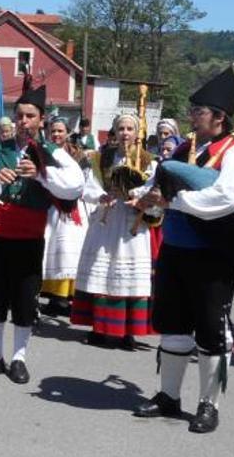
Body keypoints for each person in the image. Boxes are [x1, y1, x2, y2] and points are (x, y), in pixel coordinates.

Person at [131, 67, 234, 433]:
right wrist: (142, 199)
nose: (192, 115)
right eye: (192, 109)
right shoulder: (185, 147)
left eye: (199, 109)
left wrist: (175, 202)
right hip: (175, 249)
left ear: (219, 116)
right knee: (173, 325)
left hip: (213, 254)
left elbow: (229, 197)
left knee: (210, 330)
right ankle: (169, 397)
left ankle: (208, 404)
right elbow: (158, 185)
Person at [0, 86, 84, 384]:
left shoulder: (52, 152)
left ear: (41, 120)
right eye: (19, 115)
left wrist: (43, 175)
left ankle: (18, 357)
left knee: (24, 297)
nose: (23, 121)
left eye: (30, 116)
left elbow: (74, 186)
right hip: (0, 230)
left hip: (30, 234)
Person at [70, 114, 155, 349]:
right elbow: (86, 186)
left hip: (132, 224)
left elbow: (155, 190)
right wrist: (100, 196)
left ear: (138, 133)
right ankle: (99, 328)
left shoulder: (149, 161)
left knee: (128, 277)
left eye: (130, 129)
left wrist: (140, 199)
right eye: (121, 128)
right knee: (102, 273)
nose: (125, 133)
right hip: (106, 220)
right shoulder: (101, 158)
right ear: (115, 132)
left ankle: (128, 332)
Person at [40, 118, 89, 317]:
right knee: (53, 248)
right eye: (53, 131)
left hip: (73, 208)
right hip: (51, 207)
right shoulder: (43, 152)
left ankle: (70, 296)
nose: (56, 135)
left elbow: (85, 181)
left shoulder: (79, 155)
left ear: (68, 132)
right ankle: (54, 296)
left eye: (60, 131)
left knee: (70, 250)